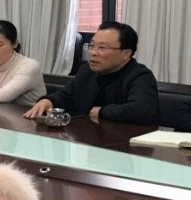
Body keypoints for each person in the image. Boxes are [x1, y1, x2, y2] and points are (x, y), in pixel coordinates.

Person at [23, 21, 158, 124]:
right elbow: (67, 95)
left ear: (125, 54)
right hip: (88, 140)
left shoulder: (140, 76)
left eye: (102, 48)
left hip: (126, 145)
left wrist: (102, 112)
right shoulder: (86, 70)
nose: (93, 52)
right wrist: (49, 101)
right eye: (91, 46)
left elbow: (140, 110)